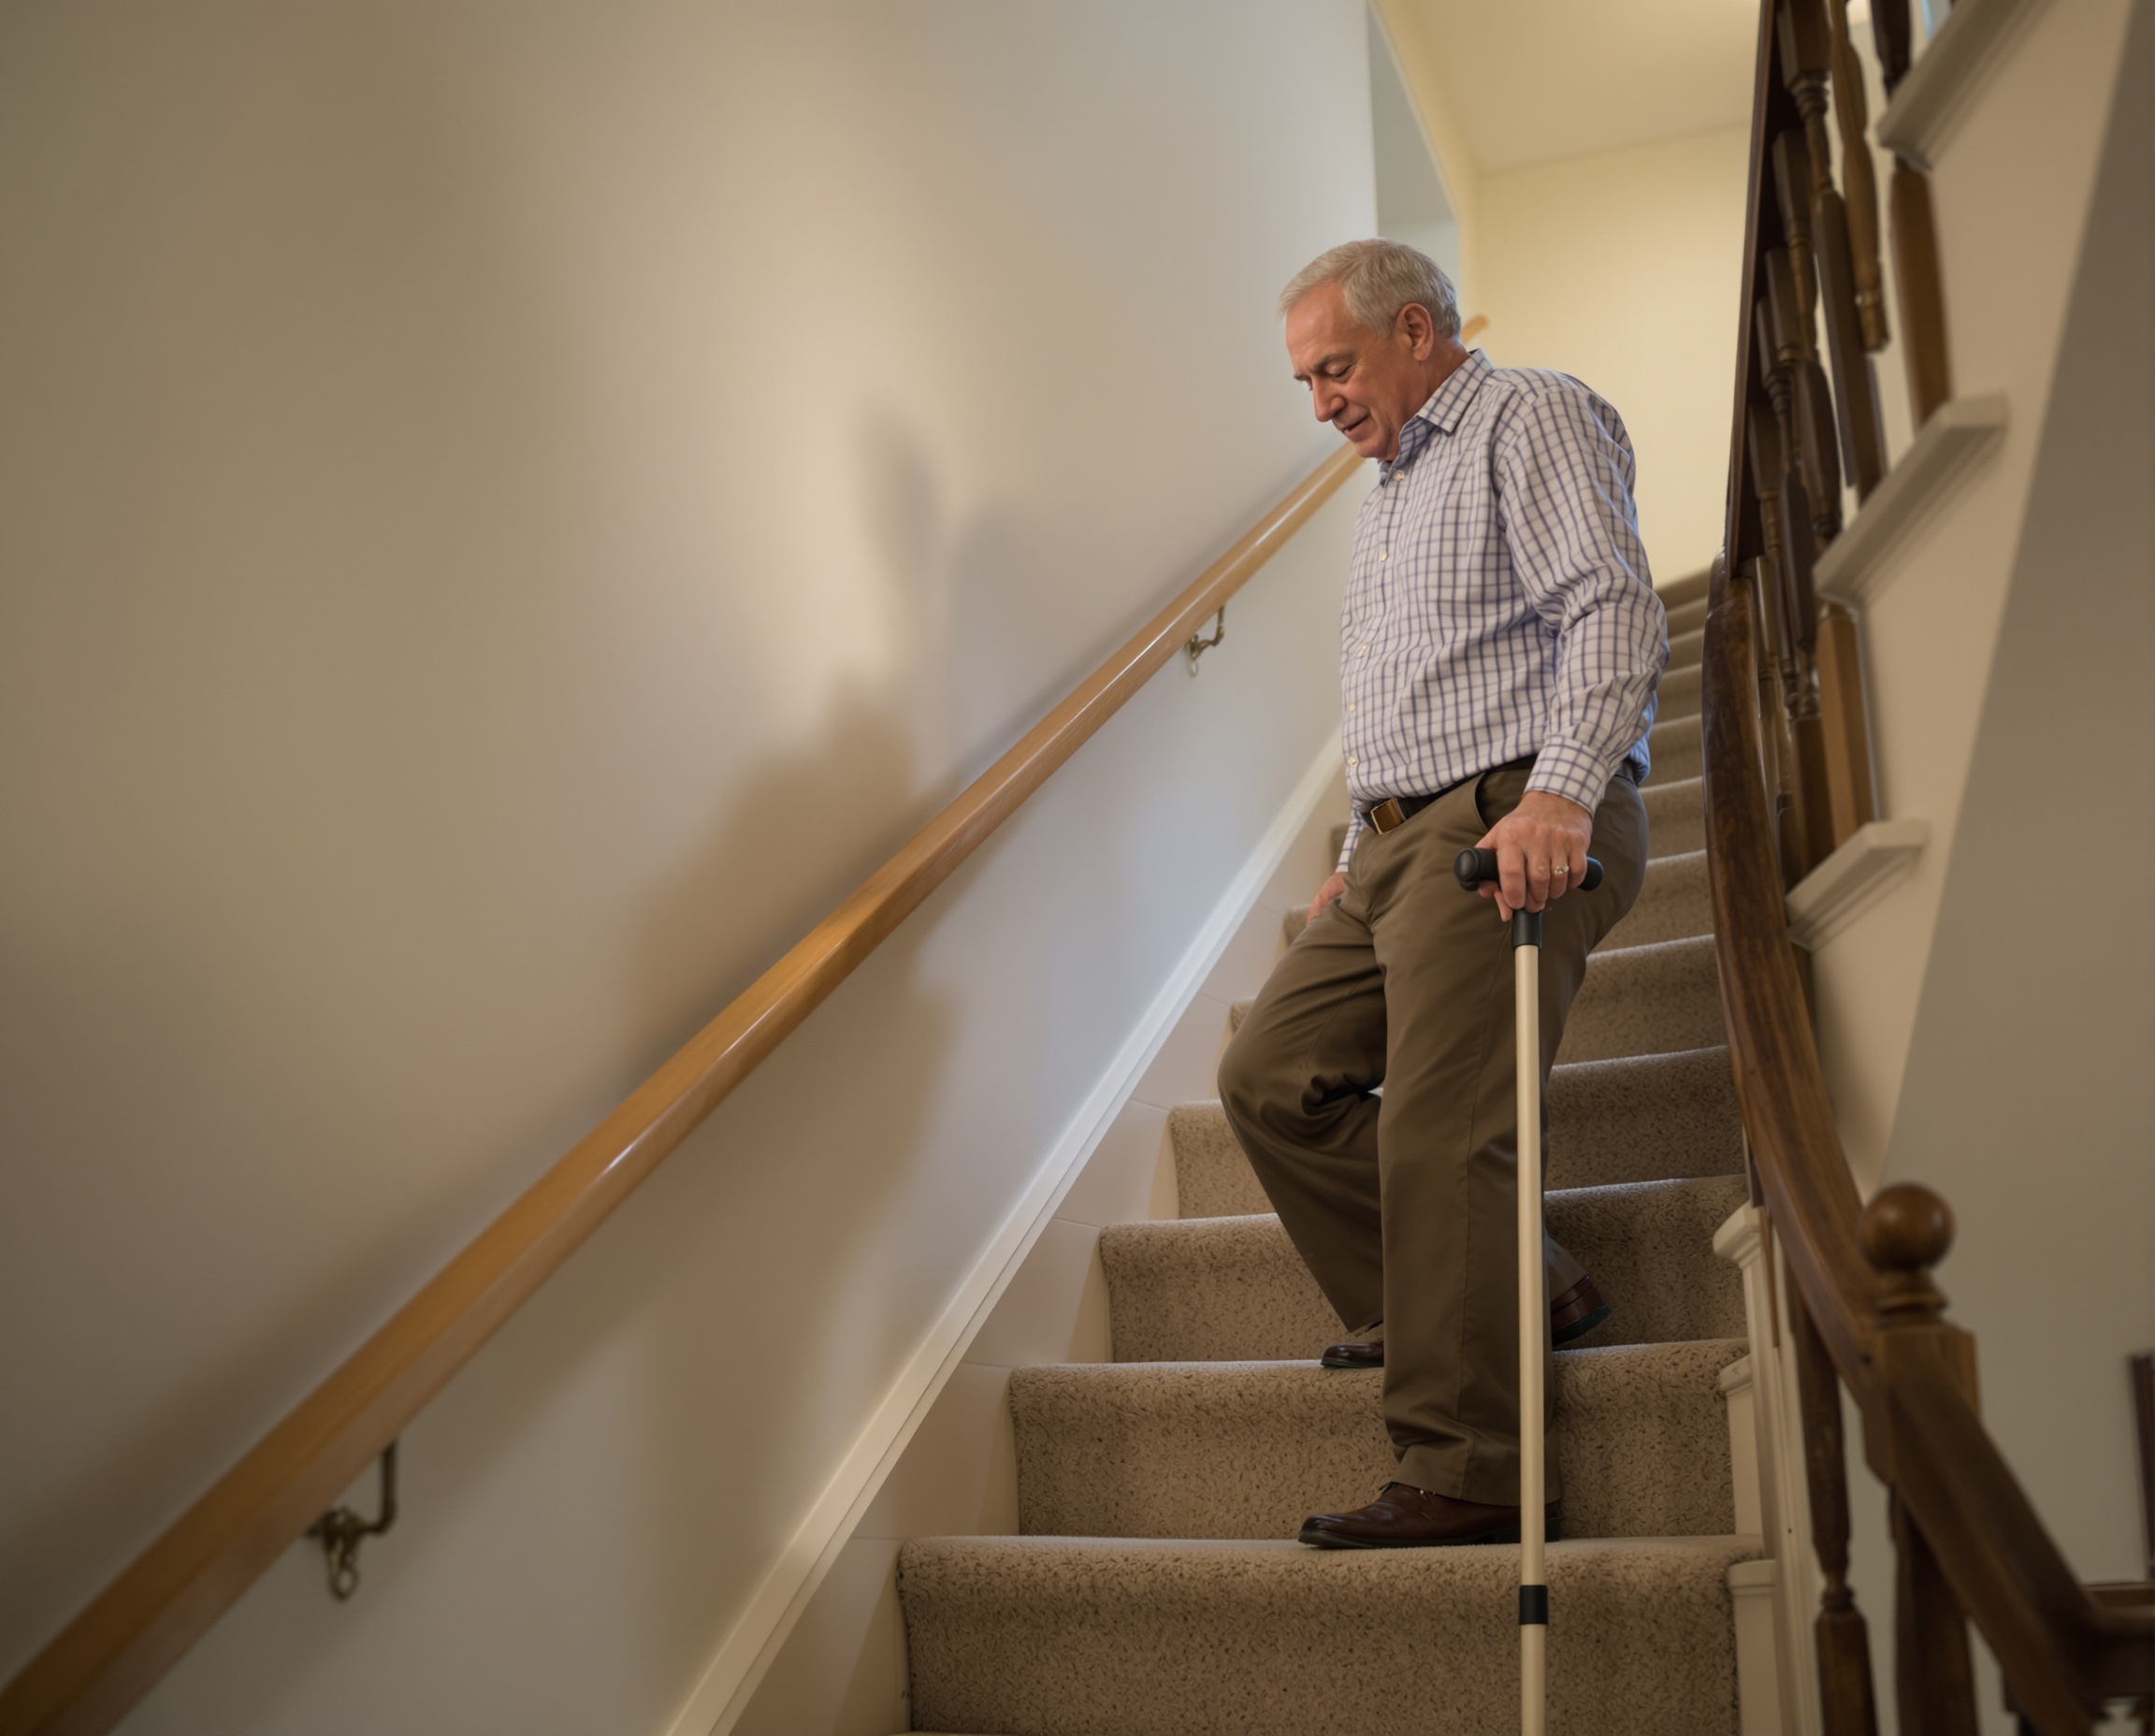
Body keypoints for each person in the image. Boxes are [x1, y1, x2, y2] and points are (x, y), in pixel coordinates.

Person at [1217, 239, 1667, 1548]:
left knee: (1438, 1127)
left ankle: (1470, 1465)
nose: (1321, 405)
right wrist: (1351, 867)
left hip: (1511, 816)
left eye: (1336, 368)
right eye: (1305, 381)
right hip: (1395, 845)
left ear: (1417, 331)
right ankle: (1510, 1287)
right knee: (1266, 1075)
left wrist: (1565, 794)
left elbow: (1614, 609)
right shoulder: (1391, 491)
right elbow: (1402, 704)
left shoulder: (1524, 412)